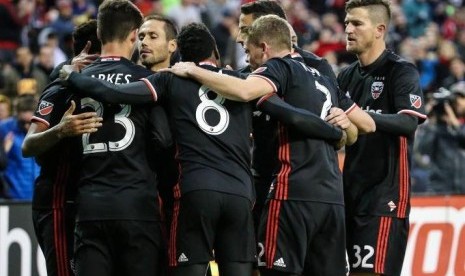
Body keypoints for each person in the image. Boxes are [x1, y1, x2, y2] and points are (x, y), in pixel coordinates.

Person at [60, 20, 348, 276]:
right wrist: (334, 132)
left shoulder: (171, 78)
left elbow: (114, 93)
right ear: (216, 54)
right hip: (240, 194)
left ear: (180, 54)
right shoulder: (242, 82)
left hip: (195, 190)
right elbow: (292, 115)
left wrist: (70, 75)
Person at [164, 15, 348, 276]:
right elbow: (353, 132)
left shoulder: (277, 69)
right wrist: (339, 131)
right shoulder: (324, 75)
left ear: (264, 47)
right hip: (332, 196)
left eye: (248, 51)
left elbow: (244, 91)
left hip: (292, 191)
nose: (247, 60)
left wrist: (193, 69)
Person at [235, 0, 370, 236]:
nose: (239, 38)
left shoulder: (316, 67)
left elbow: (355, 130)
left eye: (245, 30)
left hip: (303, 186)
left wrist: (343, 128)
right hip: (260, 180)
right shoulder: (249, 70)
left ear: (267, 30)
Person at [63, 1, 172, 275]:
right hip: (137, 205)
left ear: (99, 35)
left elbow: (59, 145)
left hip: (90, 205)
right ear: (134, 35)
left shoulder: (74, 79)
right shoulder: (147, 81)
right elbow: (163, 140)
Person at [337, 1, 427, 275]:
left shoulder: (401, 71)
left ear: (380, 30)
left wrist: (360, 116)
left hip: (384, 198)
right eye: (346, 24)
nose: (348, 30)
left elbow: (408, 122)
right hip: (348, 194)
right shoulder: (346, 76)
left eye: (357, 23)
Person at [21, 19, 102, 276]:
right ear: (88, 51)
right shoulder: (58, 91)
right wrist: (61, 130)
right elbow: (28, 146)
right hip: (57, 199)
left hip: (87, 201)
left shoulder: (106, 90)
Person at [416, 83, 465, 194]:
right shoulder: (436, 128)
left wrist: (454, 123)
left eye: (462, 98)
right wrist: (431, 122)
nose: (458, 103)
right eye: (456, 99)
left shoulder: (459, 127)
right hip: (440, 188)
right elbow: (423, 149)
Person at [0, 94, 40, 200]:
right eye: (23, 122)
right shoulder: (4, 129)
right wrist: (3, 151)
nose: (27, 126)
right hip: (12, 197)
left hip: (39, 196)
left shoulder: (44, 129)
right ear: (17, 115)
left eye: (31, 122)